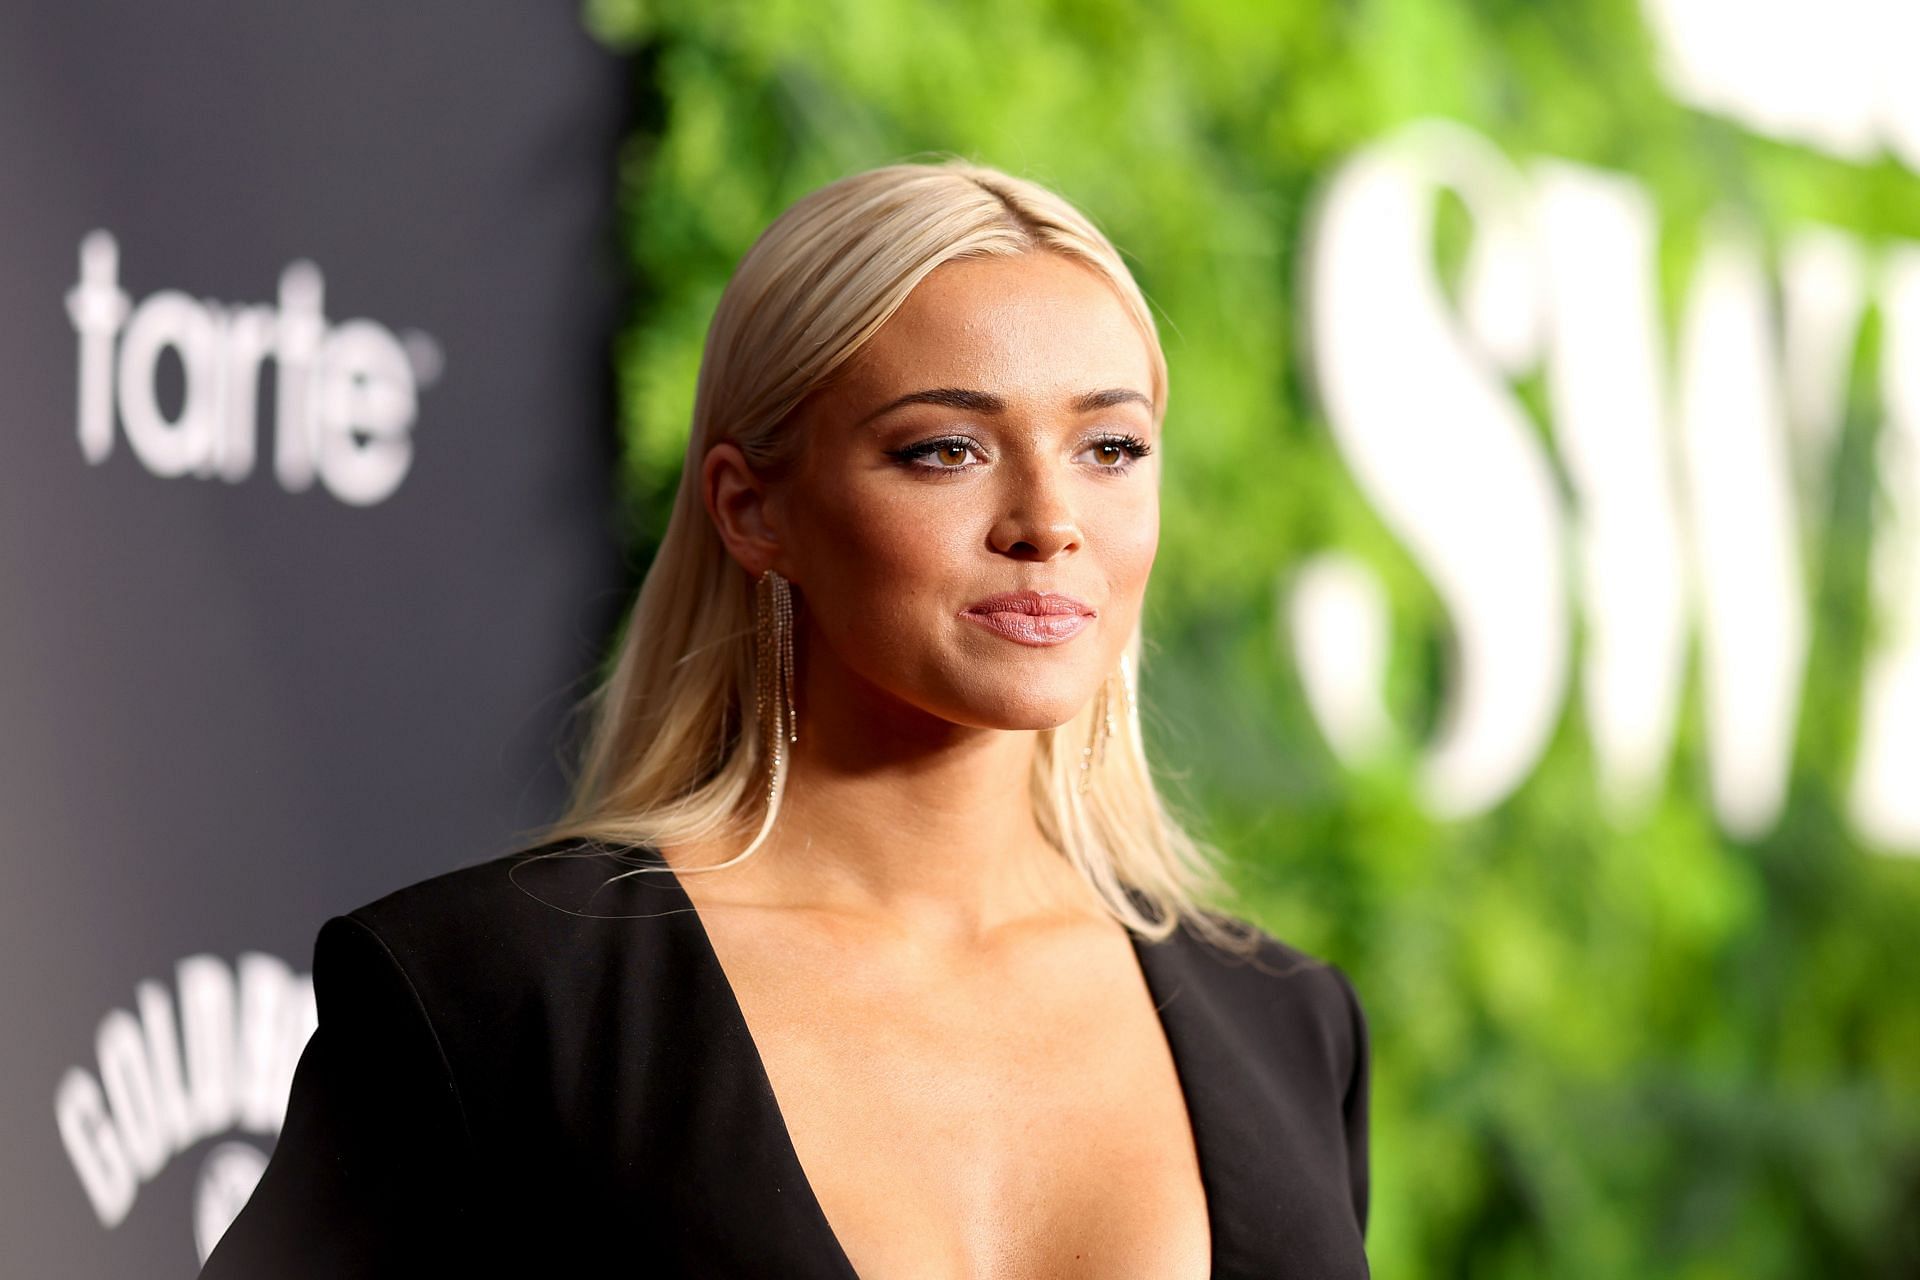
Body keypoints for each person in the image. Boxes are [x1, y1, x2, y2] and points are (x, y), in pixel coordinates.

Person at [199, 158, 1371, 1279]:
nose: (1049, 519)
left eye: (1111, 446)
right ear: (752, 508)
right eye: (945, 449)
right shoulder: (489, 995)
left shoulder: (1290, 1027)